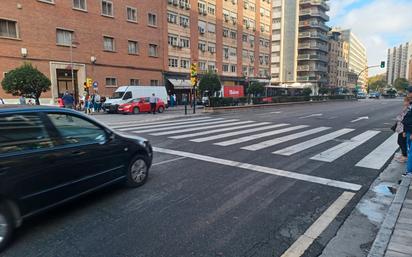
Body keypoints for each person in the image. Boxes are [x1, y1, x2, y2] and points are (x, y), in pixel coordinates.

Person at [394, 97, 410, 162]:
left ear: (409, 102)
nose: (404, 102)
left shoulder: (408, 109)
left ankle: (405, 156)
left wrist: (404, 131)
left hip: (404, 129)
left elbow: (403, 119)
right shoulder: (405, 108)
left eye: (405, 101)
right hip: (401, 128)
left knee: (402, 142)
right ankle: (403, 154)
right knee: (400, 142)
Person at [402, 86, 412, 176]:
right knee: (409, 150)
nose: (407, 94)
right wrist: (405, 130)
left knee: (411, 151)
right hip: (408, 130)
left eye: (409, 92)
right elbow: (406, 119)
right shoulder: (410, 103)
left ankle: (410, 171)